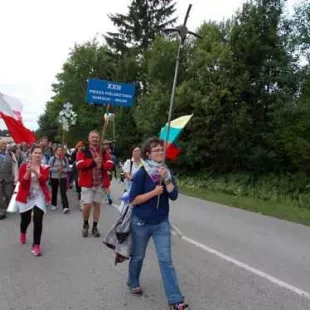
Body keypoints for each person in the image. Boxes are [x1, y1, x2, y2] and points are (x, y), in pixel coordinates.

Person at [128, 137, 189, 310]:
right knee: (138, 256)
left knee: (166, 260)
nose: (160, 152)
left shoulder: (166, 172)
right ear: (148, 154)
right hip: (141, 223)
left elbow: (173, 196)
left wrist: (167, 179)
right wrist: (153, 193)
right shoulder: (142, 173)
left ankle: (175, 300)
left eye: (161, 150)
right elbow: (133, 200)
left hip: (161, 223)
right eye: (155, 150)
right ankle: (133, 281)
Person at [76, 130, 114, 237]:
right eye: (92, 137)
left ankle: (95, 227)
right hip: (87, 183)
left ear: (99, 139)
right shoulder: (83, 151)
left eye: (96, 137)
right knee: (87, 205)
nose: (95, 139)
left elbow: (110, 164)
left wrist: (101, 165)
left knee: (97, 205)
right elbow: (79, 165)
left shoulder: (103, 151)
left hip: (100, 183)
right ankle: (85, 224)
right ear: (89, 139)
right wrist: (93, 161)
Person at [15, 145, 50, 256]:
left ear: (42, 155)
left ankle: (36, 245)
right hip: (26, 196)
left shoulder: (45, 167)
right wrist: (28, 172)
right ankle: (23, 232)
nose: (38, 155)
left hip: (39, 196)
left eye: (40, 153)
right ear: (31, 154)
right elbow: (22, 182)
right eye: (35, 153)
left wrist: (36, 171)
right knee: (26, 220)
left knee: (38, 219)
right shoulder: (24, 166)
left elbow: (44, 180)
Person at [48, 145, 70, 214]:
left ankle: (65, 207)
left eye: (61, 150)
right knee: (54, 191)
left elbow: (68, 168)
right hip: (54, 177)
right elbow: (49, 168)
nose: (60, 151)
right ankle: (53, 204)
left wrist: (63, 170)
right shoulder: (52, 158)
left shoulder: (65, 158)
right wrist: (57, 169)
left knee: (63, 192)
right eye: (58, 150)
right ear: (56, 151)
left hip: (63, 177)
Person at [0, 139, 18, 220]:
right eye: (2, 144)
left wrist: (16, 178)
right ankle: (2, 211)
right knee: (0, 196)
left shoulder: (11, 154)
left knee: (8, 195)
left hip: (9, 178)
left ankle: (8, 207)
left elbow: (15, 166)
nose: (3, 145)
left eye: (4, 143)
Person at [70, 141, 84, 210]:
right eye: (79, 146)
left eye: (81, 146)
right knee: (79, 190)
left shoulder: (85, 153)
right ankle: (81, 202)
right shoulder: (74, 153)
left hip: (84, 176)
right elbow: (72, 172)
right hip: (77, 175)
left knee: (84, 190)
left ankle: (83, 202)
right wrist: (70, 181)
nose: (80, 148)